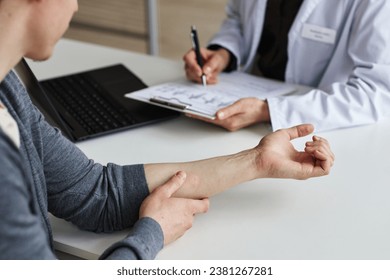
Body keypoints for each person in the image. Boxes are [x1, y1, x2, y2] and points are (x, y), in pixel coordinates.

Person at [0, 0, 334, 260]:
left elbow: (94, 193)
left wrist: (257, 161)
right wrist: (150, 235)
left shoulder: (8, 88)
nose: (75, 6)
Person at [183, 0, 390, 132]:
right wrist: (224, 52)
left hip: (323, 128)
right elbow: (238, 19)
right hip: (246, 100)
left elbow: (376, 93)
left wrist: (269, 110)